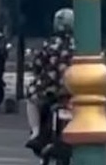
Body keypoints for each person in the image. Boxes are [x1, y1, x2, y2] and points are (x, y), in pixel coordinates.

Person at [25, 8, 75, 153]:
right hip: (75, 88)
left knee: (32, 98)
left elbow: (37, 64)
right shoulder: (81, 44)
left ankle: (36, 132)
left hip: (50, 88)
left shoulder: (50, 44)